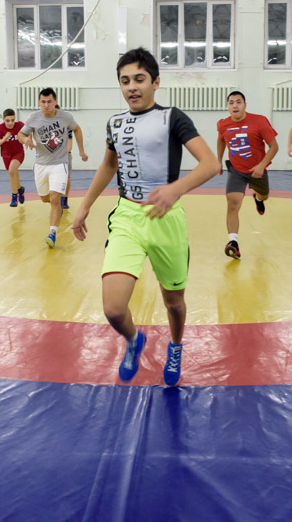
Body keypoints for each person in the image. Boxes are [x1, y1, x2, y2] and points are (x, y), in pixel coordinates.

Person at [71, 48, 220, 386]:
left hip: (166, 219)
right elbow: (109, 164)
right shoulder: (116, 123)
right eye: (125, 81)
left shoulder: (172, 118)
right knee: (113, 308)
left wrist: (175, 189)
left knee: (174, 302)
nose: (132, 87)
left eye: (139, 79)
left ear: (155, 82)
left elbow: (211, 164)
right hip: (127, 217)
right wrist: (84, 206)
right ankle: (134, 339)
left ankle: (176, 346)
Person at [18, 88, 87, 248]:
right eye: (43, 102)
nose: (46, 105)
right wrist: (25, 140)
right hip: (41, 164)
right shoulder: (33, 117)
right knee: (45, 198)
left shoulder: (65, 116)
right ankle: (57, 209)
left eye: (49, 101)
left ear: (55, 102)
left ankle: (52, 233)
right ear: (39, 102)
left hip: (60, 163)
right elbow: (21, 134)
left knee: (55, 198)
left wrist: (81, 151)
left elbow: (77, 129)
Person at [216, 91, 278, 259]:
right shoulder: (223, 124)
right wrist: (219, 160)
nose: (235, 105)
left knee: (264, 195)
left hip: (257, 171)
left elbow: (274, 146)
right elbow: (221, 139)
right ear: (228, 106)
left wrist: (262, 165)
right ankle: (233, 242)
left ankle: (258, 198)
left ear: (245, 105)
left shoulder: (259, 121)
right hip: (236, 170)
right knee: (232, 204)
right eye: (231, 103)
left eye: (238, 102)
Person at [0, 108, 26, 207]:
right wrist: (3, 139)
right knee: (13, 173)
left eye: (12, 120)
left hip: (18, 153)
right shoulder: (0, 128)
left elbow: (28, 132)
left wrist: (27, 139)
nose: (10, 123)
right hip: (6, 155)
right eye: (7, 121)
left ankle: (14, 196)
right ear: (3, 119)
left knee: (12, 170)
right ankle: (20, 189)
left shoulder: (20, 125)